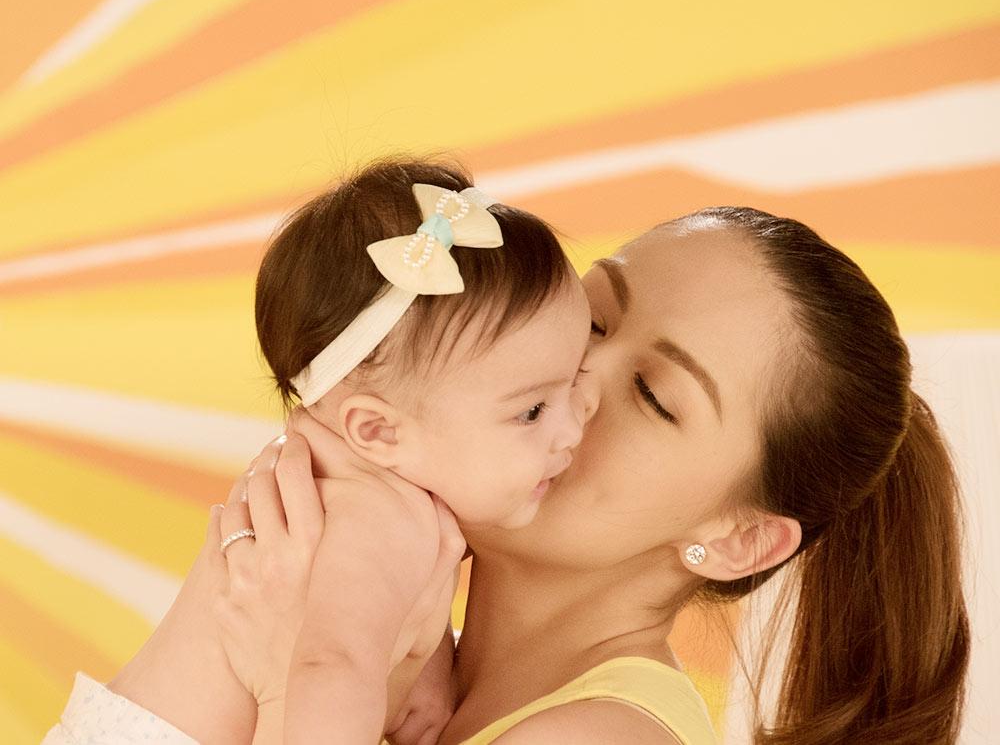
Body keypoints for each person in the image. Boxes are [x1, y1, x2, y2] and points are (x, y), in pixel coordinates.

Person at [47, 191, 970, 743]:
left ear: (736, 540)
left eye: (653, 395)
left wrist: (287, 675)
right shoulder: (396, 625)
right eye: (592, 318)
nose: (574, 380)